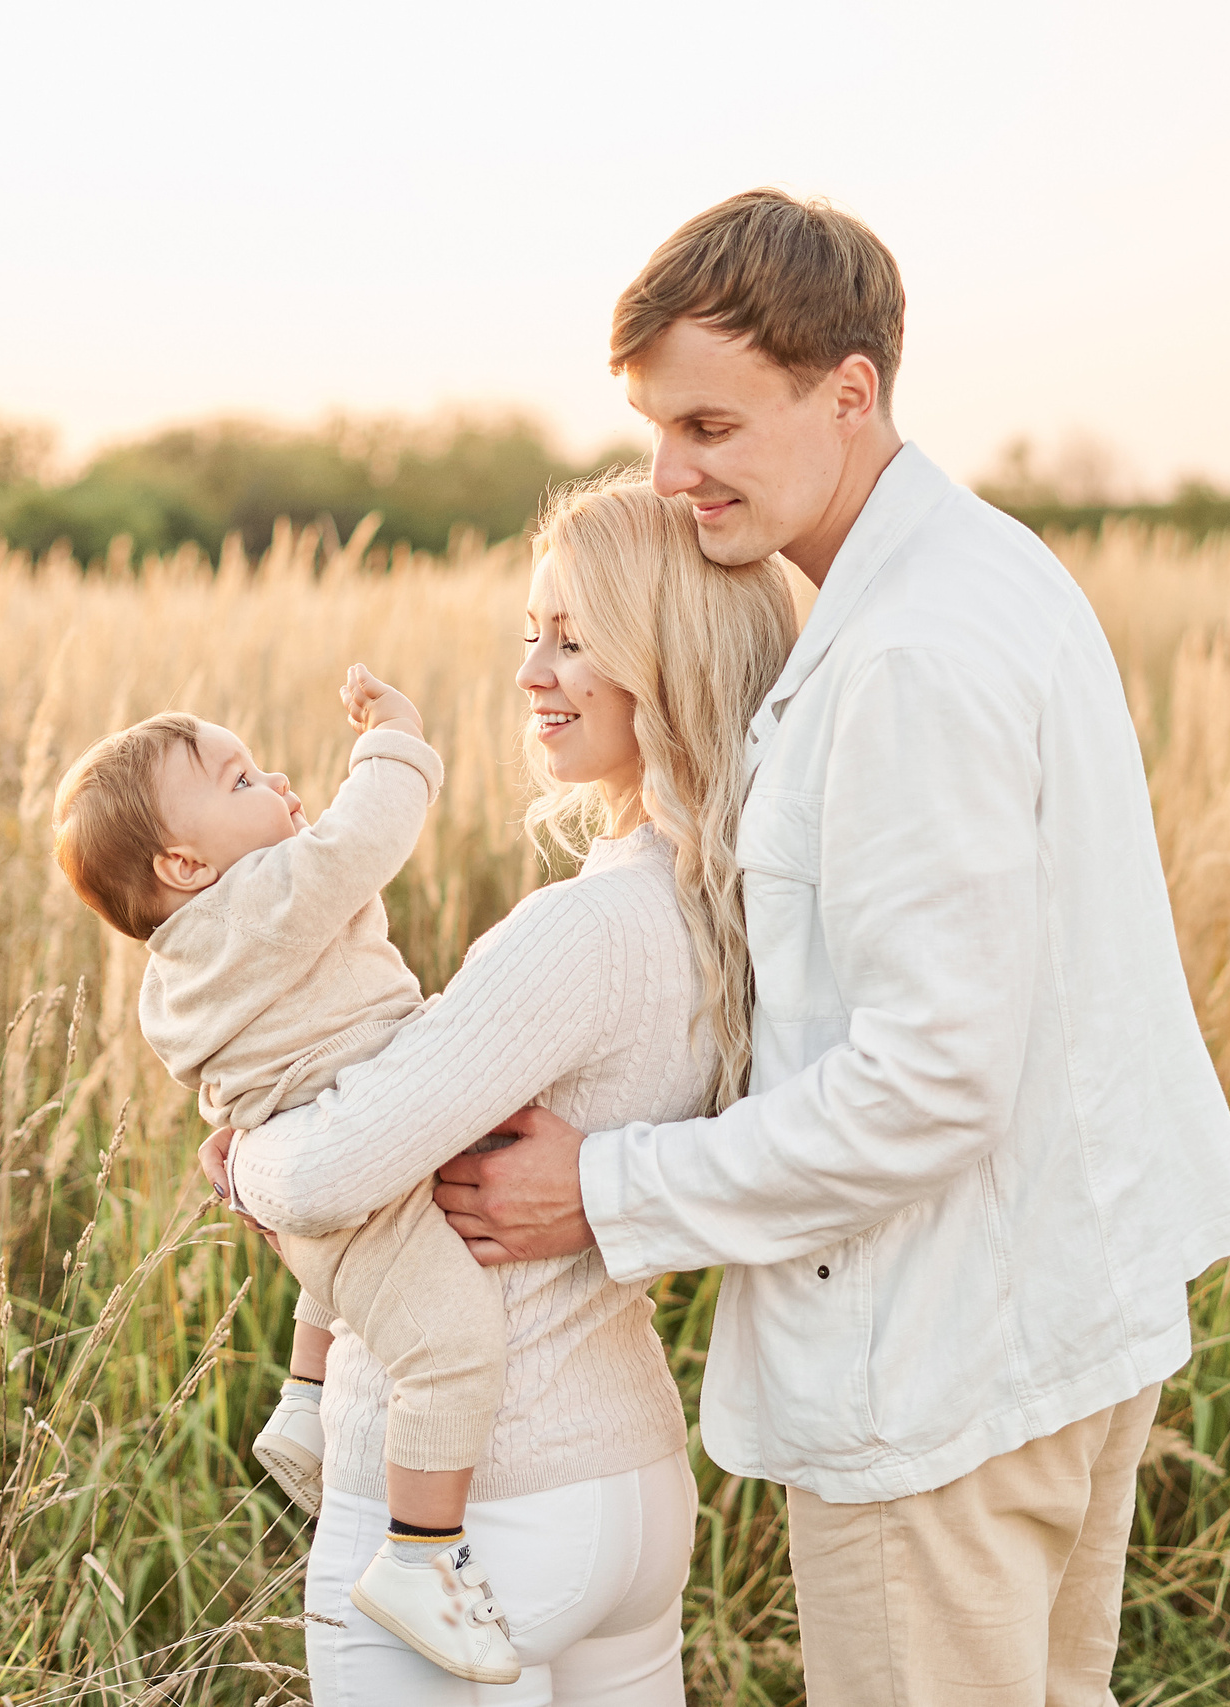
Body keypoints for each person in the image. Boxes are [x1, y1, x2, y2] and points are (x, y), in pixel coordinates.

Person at [435, 189, 1230, 1705]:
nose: (670, 476)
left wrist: (605, 1186)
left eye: (711, 427)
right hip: (1058, 1326)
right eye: (654, 431)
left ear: (851, 390)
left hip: (945, 1371)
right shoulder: (992, 568)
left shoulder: (905, 655)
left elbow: (927, 1082)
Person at [209, 476, 800, 1705]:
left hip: (479, 1503)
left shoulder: (580, 931)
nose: (534, 669)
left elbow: (322, 1173)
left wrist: (242, 1157)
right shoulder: (724, 910)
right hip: (626, 1489)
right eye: (531, 631)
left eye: (576, 639)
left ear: (668, 660)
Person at [49, 670, 522, 1685]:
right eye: (240, 781)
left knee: (340, 1284)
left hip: (305, 1179)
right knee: (451, 1345)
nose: (277, 782)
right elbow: (364, 840)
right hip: (359, 1178)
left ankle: (305, 1401)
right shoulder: (259, 901)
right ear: (185, 862)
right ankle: (421, 1555)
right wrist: (395, 740)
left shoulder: (170, 968)